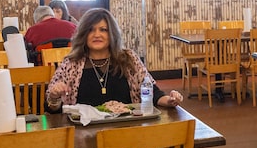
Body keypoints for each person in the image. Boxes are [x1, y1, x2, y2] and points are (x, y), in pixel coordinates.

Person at [46, 8, 183, 111]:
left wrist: (170, 100)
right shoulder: (71, 63)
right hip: (84, 133)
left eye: (103, 30)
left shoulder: (128, 58)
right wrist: (54, 96)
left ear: (112, 33)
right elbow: (52, 108)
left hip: (125, 131)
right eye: (91, 30)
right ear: (83, 34)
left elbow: (151, 92)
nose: (97, 35)